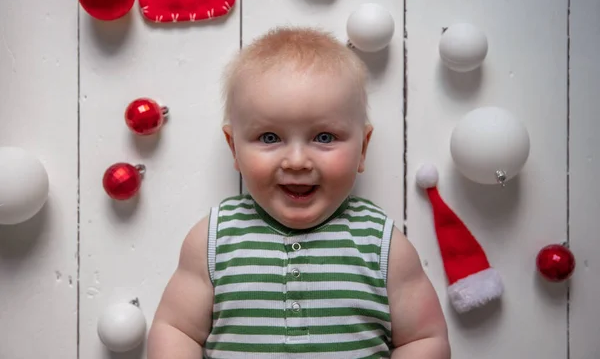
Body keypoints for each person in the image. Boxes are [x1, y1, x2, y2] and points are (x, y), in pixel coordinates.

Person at [147, 27, 450, 358]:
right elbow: (175, 330)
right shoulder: (215, 239)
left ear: (363, 148)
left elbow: (423, 339)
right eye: (269, 137)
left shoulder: (381, 245)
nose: (295, 161)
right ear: (234, 148)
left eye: (323, 137)